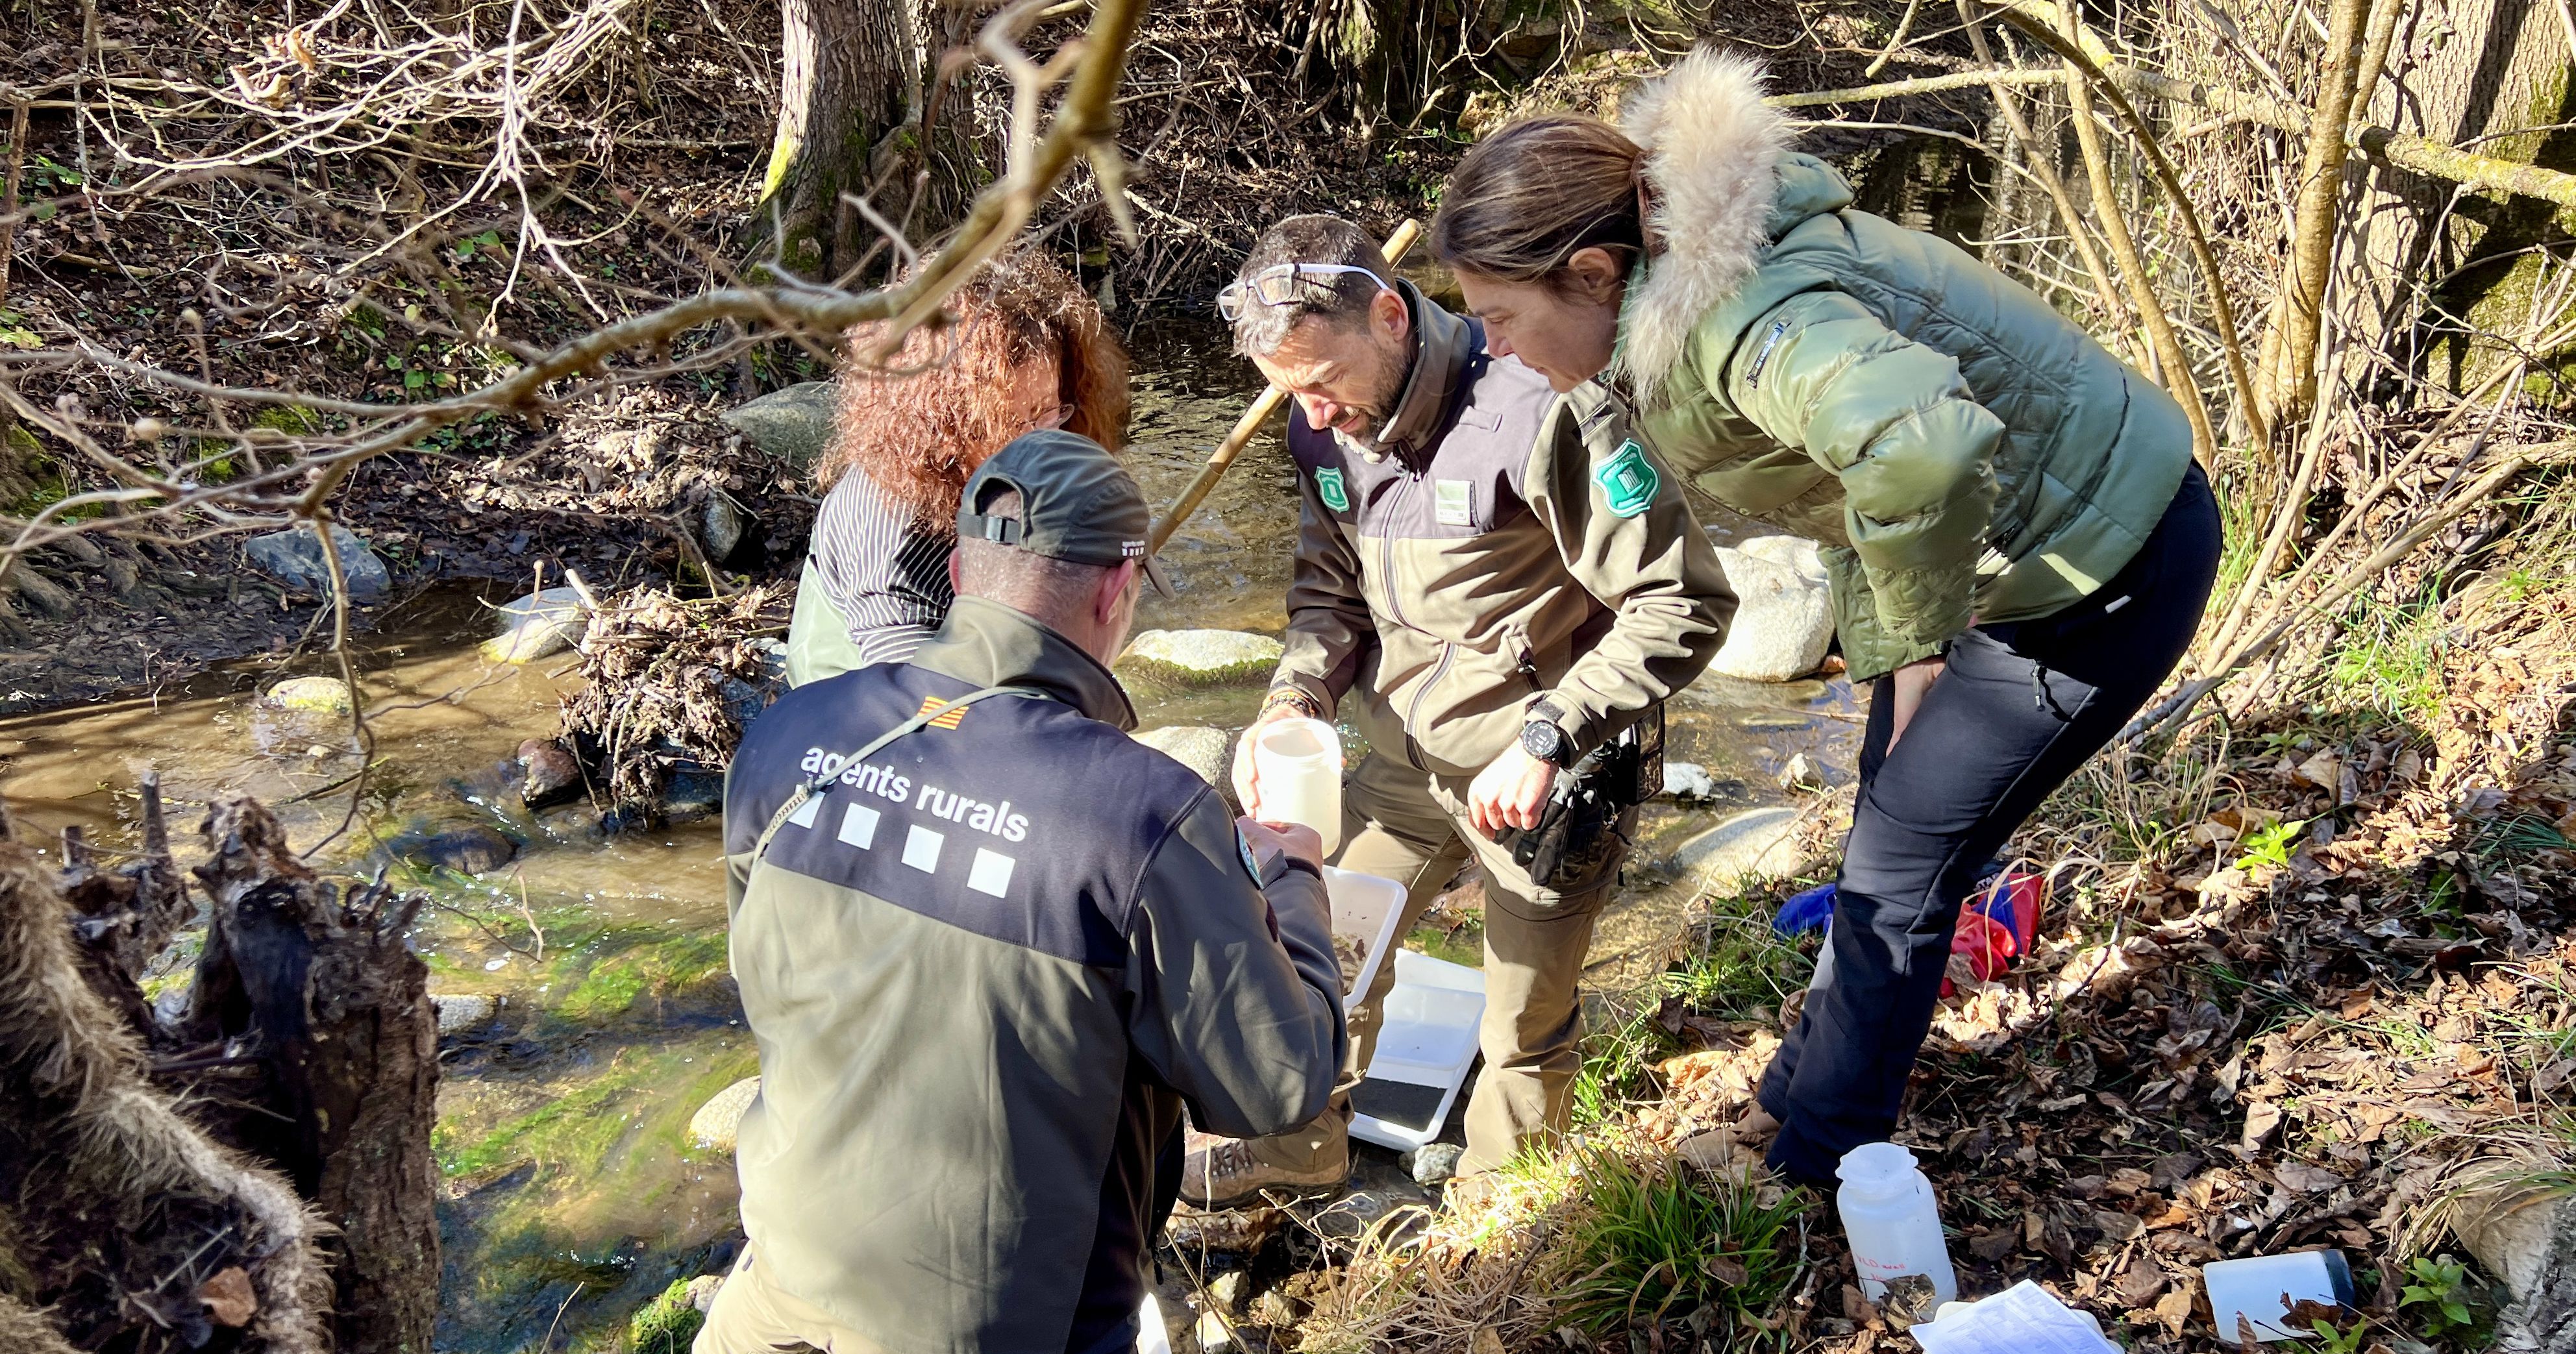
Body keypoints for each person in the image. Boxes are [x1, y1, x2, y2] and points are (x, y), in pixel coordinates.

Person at [571, 432, 1346, 1354]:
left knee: (781, 1281)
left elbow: (760, 965)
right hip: (1010, 1347)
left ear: (967, 570)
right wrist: (1287, 879)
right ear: (1115, 587)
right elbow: (1276, 1084)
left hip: (794, 1215)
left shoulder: (791, 733)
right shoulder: (1143, 815)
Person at [1427, 49, 2224, 1187]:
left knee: (1902, 858)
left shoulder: (1744, 321)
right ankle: (1793, 1099)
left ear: (1596, 273)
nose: (1493, 347)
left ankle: (1811, 1169)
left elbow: (1926, 453)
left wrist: (1914, 642)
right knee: (1883, 824)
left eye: (1500, 317)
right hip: (2014, 550)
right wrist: (1900, 655)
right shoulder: (1683, 299)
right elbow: (1856, 497)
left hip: (2103, 559)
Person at [1182, 214, 1735, 1209]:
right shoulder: (1321, 429)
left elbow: (1686, 601)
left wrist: (1549, 734)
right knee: (1318, 952)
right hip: (1399, 767)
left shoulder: (1546, 410)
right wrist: (1291, 697)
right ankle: (1306, 1141)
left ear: (1391, 316)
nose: (1308, 411)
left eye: (1319, 380)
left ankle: (1496, 1221)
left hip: (1541, 782)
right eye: (1286, 392)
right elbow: (1328, 592)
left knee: (1522, 1021)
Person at [784, 251, 1130, 685]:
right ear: (947, 421)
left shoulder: (1016, 469)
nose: (1046, 439)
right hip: (865, 716)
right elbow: (917, 713)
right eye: (1018, 421)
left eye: (1050, 410)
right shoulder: (892, 536)